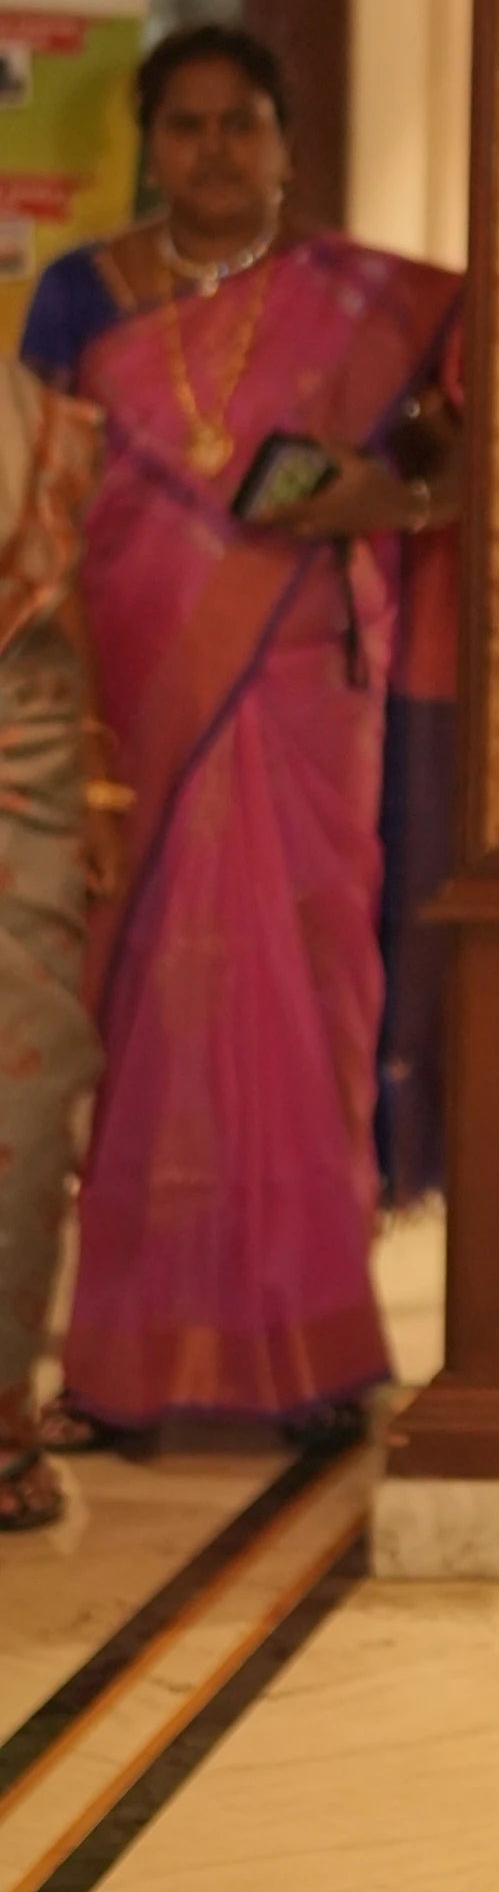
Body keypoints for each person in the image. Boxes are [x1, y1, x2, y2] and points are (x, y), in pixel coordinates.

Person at [22, 24, 461, 1445]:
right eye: (188, 126)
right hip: (127, 700)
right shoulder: (78, 297)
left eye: (241, 125)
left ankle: (313, 1354)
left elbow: (460, 453)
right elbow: (37, 497)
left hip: (300, 689)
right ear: (149, 144)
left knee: (305, 995)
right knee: (148, 1012)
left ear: (283, 145)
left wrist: (379, 500)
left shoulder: (354, 303)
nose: (214, 151)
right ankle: (125, 1367)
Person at [0, 344, 102, 1526]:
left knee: (20, 1113)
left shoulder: (31, 418)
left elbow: (64, 612)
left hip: (21, 799)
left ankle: (1, 1411)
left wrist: (100, 782)